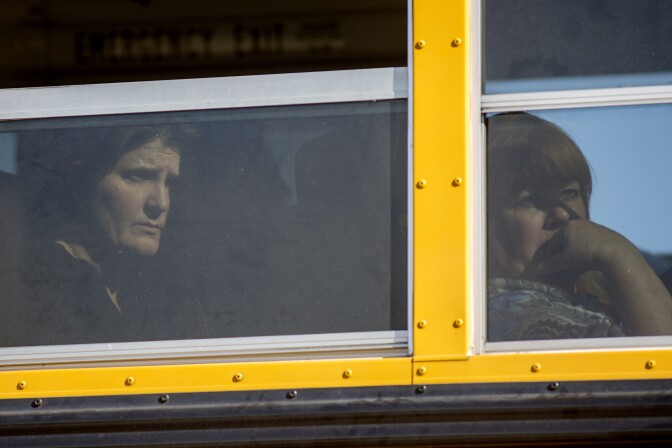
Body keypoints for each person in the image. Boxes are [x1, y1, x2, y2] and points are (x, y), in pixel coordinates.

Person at [0, 124, 208, 346]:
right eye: (138, 176)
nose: (161, 203)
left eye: (170, 184)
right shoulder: (30, 287)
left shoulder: (166, 296)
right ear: (81, 181)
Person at [487, 113, 672, 341]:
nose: (562, 214)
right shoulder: (519, 316)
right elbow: (660, 368)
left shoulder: (590, 299)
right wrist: (618, 253)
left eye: (569, 193)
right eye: (531, 199)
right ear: (486, 223)